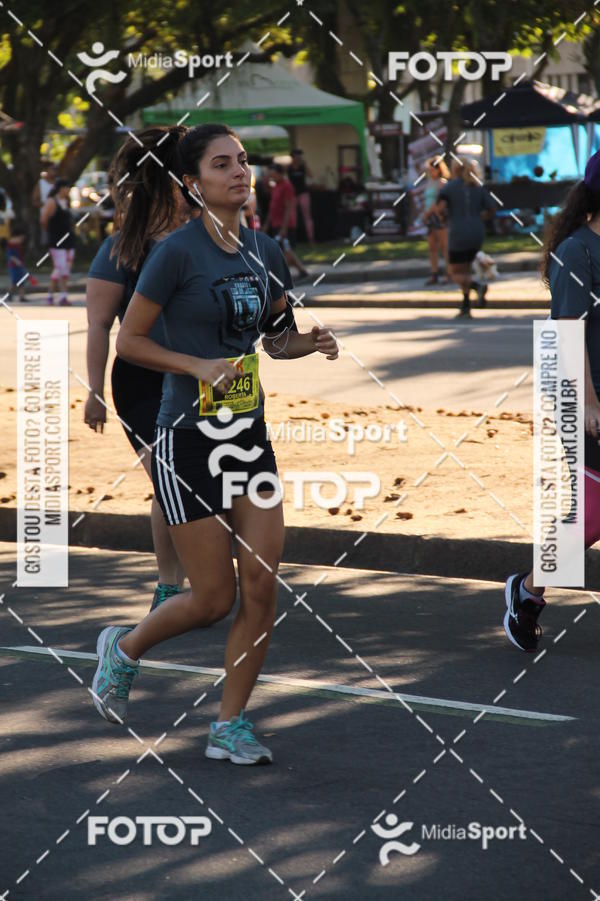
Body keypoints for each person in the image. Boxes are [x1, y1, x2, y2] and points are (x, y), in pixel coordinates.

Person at [90, 123, 339, 764]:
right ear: (192, 182)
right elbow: (129, 342)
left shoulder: (266, 249)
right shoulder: (174, 254)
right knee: (211, 599)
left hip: (247, 436)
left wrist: (308, 342)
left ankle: (230, 724)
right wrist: (196, 366)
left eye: (243, 161)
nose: (239, 172)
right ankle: (124, 648)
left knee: (261, 584)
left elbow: (274, 340)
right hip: (186, 440)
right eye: (221, 163)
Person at [85, 126, 191, 612]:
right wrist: (93, 392)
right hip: (142, 384)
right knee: (169, 482)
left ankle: (195, 580)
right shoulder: (122, 248)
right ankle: (170, 586)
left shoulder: (207, 236)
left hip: (200, 380)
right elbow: (98, 325)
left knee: (189, 483)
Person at [504, 148, 600, 652]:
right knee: (592, 515)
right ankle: (528, 589)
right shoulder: (577, 252)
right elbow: (567, 333)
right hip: (585, 395)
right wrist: (588, 403)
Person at [436, 157, 495, 317]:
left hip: (458, 232)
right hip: (476, 232)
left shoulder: (449, 188)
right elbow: (491, 208)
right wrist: (479, 217)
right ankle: (466, 304)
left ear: (455, 169)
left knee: (454, 271)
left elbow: (440, 209)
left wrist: (444, 218)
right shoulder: (478, 186)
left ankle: (477, 286)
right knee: (466, 268)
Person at [263, 163, 310, 280]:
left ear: (280, 174)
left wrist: (284, 228)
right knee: (285, 249)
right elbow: (272, 206)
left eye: (273, 175)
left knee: (284, 250)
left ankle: (281, 275)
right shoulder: (276, 186)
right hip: (276, 223)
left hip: (285, 224)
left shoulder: (287, 186)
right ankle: (301, 270)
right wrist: (267, 224)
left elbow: (289, 207)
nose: (272, 177)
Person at [41, 178, 75, 306]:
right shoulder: (52, 202)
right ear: (61, 188)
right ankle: (51, 294)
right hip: (57, 241)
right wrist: (52, 232)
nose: (68, 190)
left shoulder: (67, 201)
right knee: (59, 267)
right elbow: (44, 220)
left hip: (69, 240)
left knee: (66, 269)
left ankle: (63, 295)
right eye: (66, 187)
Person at [421, 157, 450, 285]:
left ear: (439, 169)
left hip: (438, 216)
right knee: (432, 246)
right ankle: (434, 273)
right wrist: (424, 213)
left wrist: (427, 214)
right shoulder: (429, 182)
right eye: (429, 170)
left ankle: (449, 273)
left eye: (433, 170)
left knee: (444, 246)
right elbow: (426, 200)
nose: (430, 172)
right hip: (429, 217)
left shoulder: (441, 182)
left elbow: (437, 201)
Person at [288, 148, 315, 244]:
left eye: (299, 156)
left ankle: (311, 238)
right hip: (293, 194)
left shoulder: (303, 166)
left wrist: (305, 164)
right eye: (296, 156)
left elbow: (311, 175)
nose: (298, 158)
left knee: (307, 216)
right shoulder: (289, 167)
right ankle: (294, 239)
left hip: (303, 193)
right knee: (292, 216)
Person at [5, 221, 30, 302]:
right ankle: (9, 295)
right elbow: (10, 256)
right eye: (21, 239)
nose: (22, 241)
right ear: (16, 236)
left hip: (19, 266)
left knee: (21, 281)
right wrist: (17, 261)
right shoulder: (10, 245)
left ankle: (21, 296)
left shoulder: (17, 245)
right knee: (14, 281)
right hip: (13, 266)